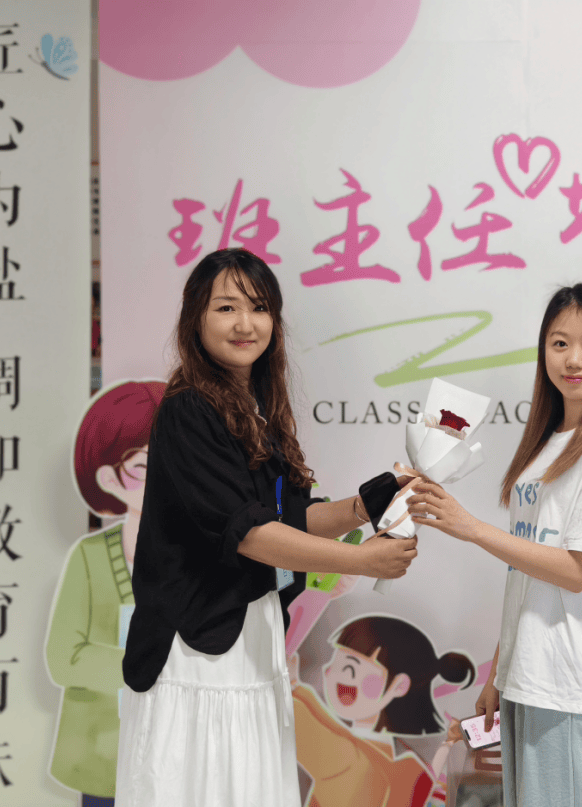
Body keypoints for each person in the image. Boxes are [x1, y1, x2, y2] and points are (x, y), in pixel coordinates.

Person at [114, 248, 418, 807]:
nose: (245, 323)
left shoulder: (256, 408)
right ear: (195, 318)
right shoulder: (187, 410)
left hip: (252, 638)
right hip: (195, 652)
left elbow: (289, 518)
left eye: (259, 308)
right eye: (226, 307)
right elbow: (251, 535)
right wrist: (362, 559)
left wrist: (367, 504)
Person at [408, 283, 582, 807]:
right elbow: (527, 572)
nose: (573, 359)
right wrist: (501, 670)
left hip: (570, 681)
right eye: (559, 343)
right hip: (527, 677)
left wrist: (470, 527)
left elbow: (576, 570)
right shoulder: (548, 444)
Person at [46, 379, 164, 807]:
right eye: (146, 466)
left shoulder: (202, 555)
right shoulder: (91, 558)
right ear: (108, 478)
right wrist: (152, 668)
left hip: (177, 753)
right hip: (103, 756)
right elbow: (64, 657)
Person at [290, 614, 475, 807]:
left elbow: (316, 731)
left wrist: (292, 690)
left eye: (350, 669)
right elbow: (331, 729)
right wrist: (295, 687)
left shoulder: (355, 761)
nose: (329, 672)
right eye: (335, 664)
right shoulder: (394, 765)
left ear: (399, 685)